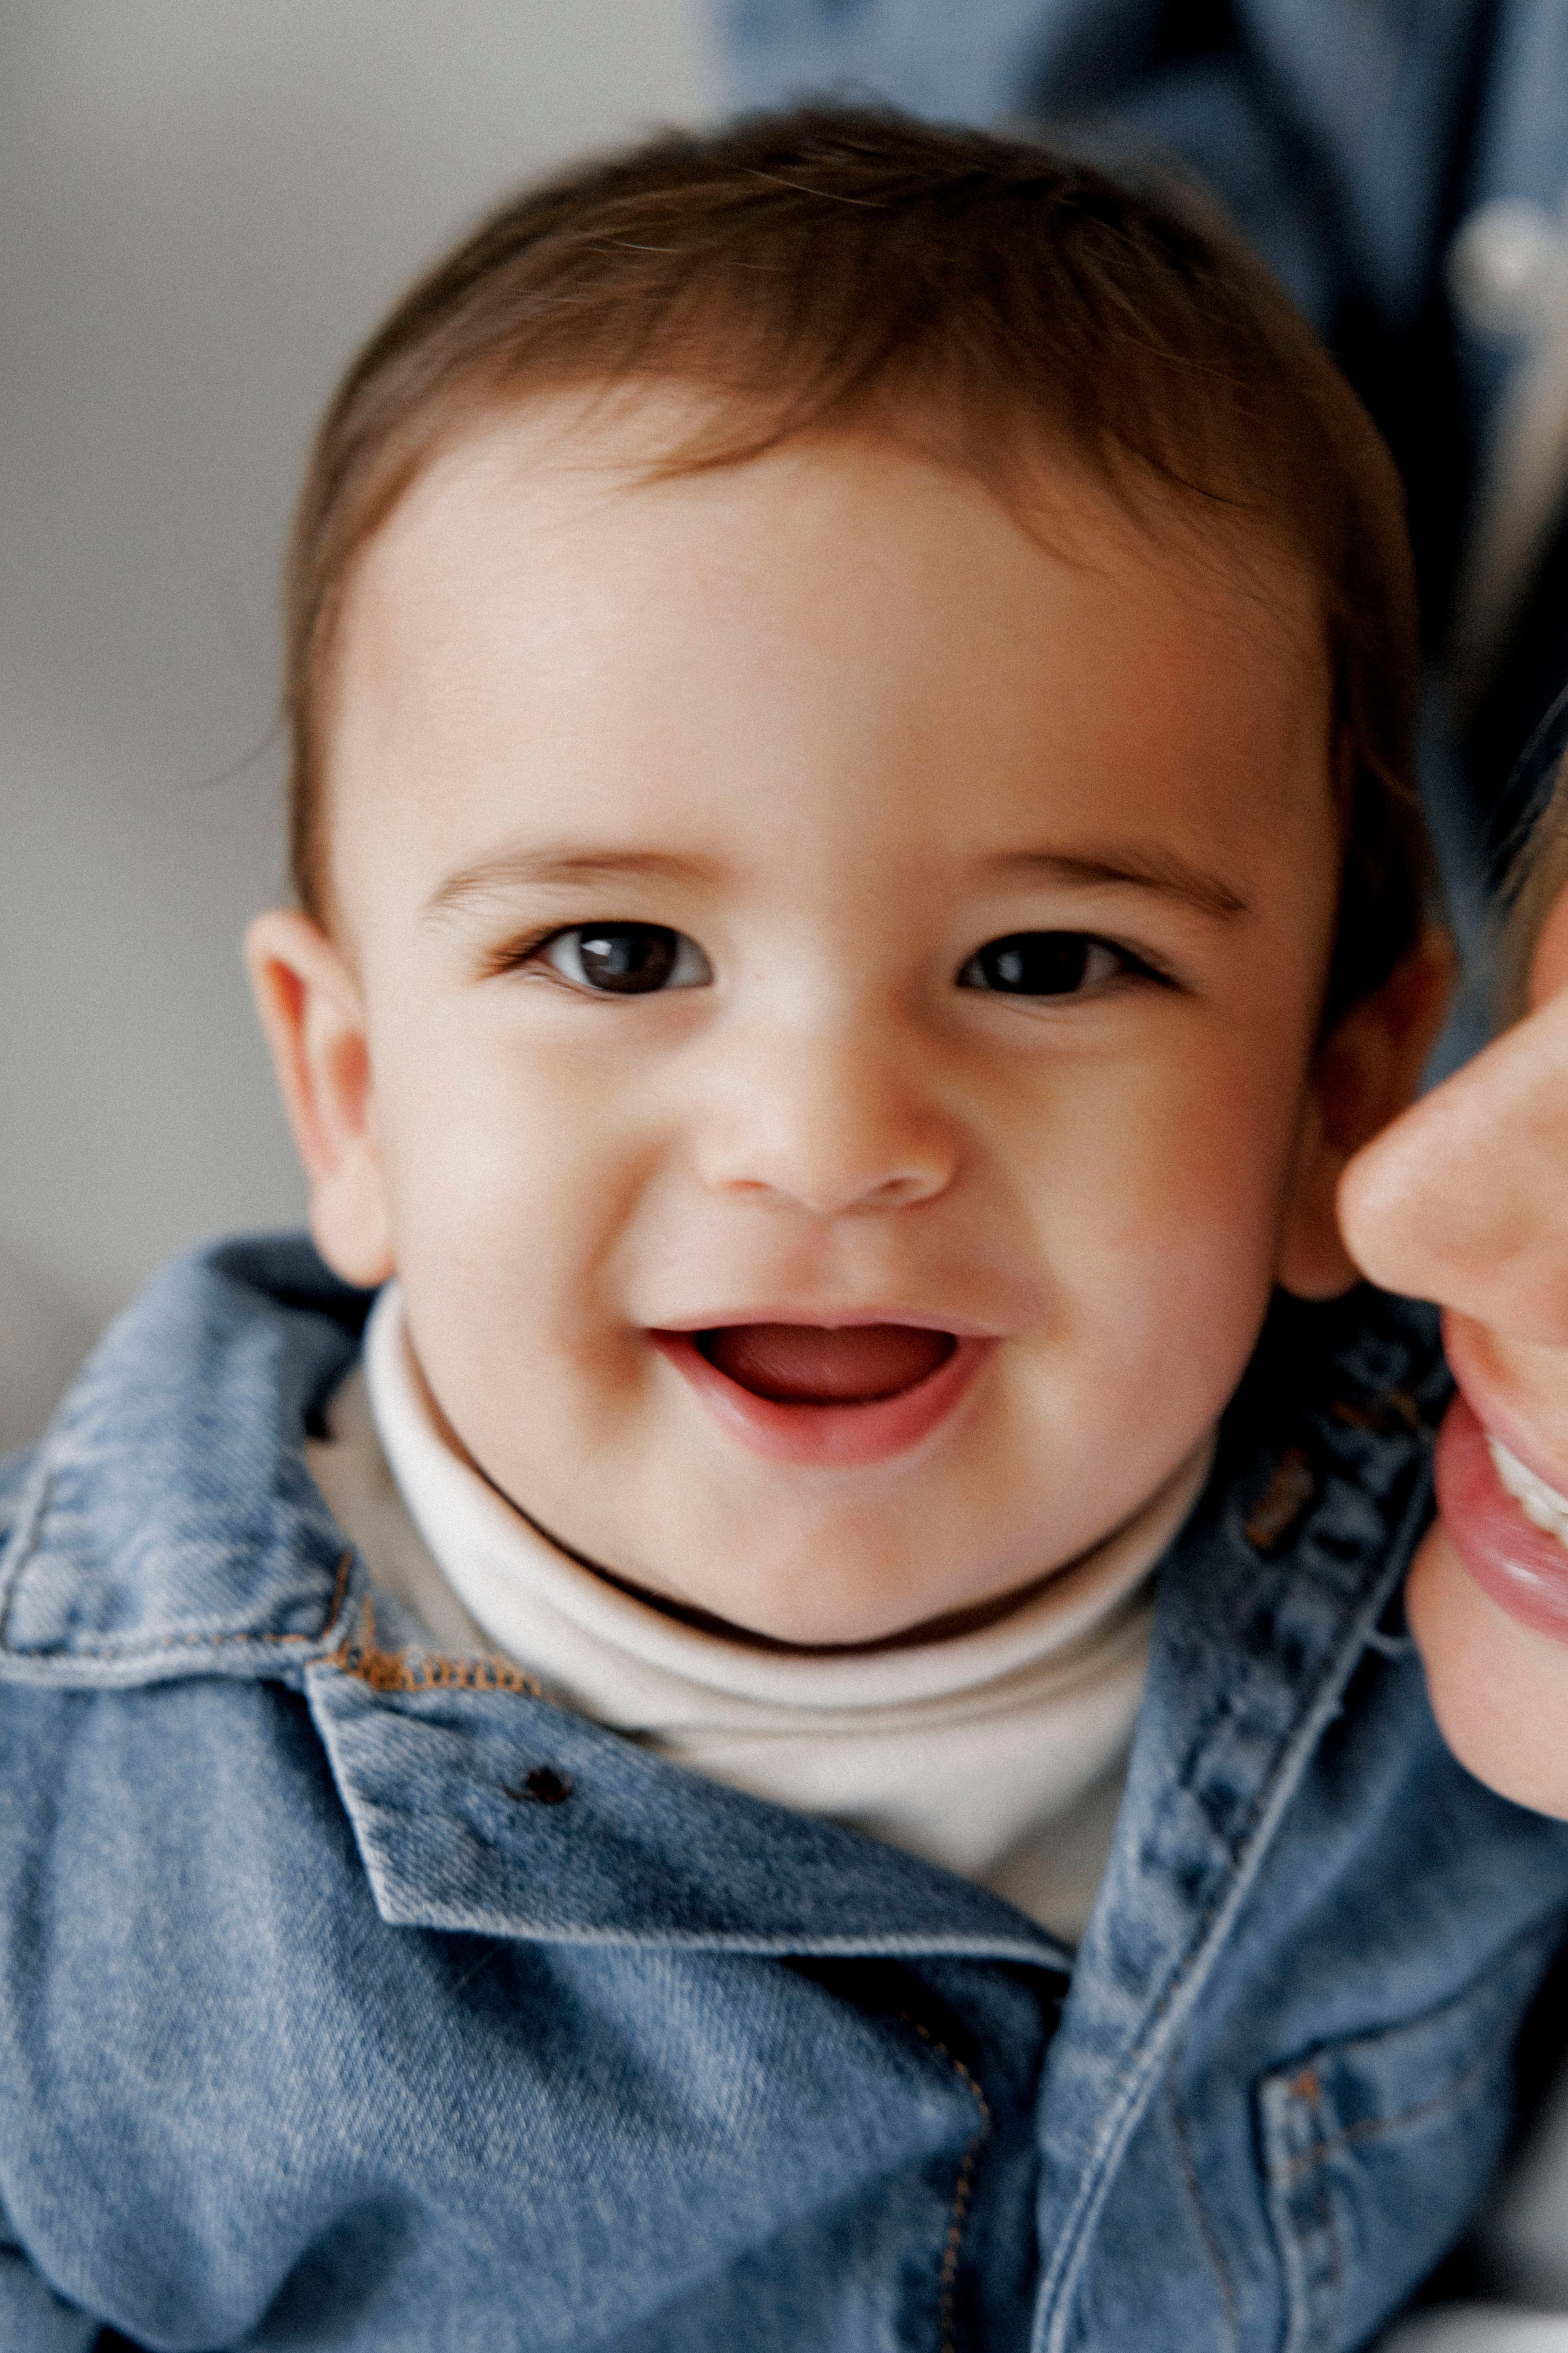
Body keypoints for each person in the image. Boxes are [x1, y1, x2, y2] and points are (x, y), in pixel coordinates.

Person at [0, 107, 1559, 2350]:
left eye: (1046, 962)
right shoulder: (86, 1863)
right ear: (349, 1090)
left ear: (1343, 1091)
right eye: (620, 953)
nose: (830, 1144)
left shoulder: (1487, 1604)